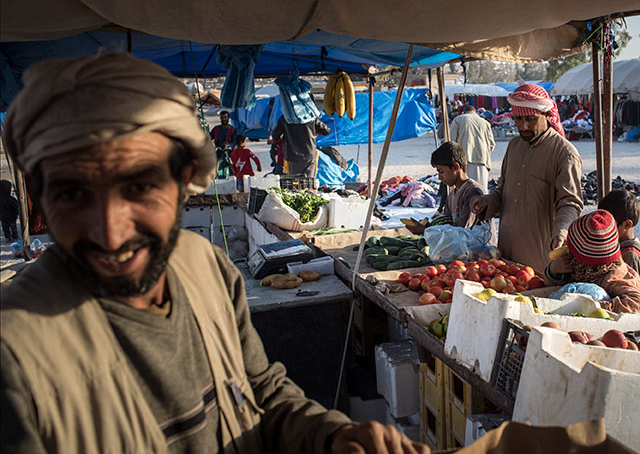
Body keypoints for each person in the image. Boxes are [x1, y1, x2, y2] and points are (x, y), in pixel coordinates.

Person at [0, 53, 427, 454]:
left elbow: (261, 390)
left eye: (139, 187)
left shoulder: (205, 268)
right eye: (72, 194)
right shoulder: (17, 358)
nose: (110, 230)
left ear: (184, 179)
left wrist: (332, 437)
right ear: (40, 198)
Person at [470, 84, 583, 273]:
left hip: (539, 255)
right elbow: (503, 190)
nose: (523, 126)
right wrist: (486, 202)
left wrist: (562, 231)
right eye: (518, 119)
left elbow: (570, 202)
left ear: (547, 115)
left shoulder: (564, 153)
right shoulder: (514, 146)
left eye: (531, 119)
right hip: (506, 251)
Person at [546, 210, 640, 313]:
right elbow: (555, 290)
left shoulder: (615, 277)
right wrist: (553, 271)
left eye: (571, 249)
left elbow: (635, 303)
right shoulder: (576, 266)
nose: (567, 250)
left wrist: (593, 306)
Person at [450, 105, 495, 193]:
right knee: (481, 192)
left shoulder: (458, 119)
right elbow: (492, 144)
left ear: (464, 112)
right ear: (475, 112)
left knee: (465, 192)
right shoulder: (485, 122)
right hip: (482, 160)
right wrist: (484, 153)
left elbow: (452, 141)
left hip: (463, 159)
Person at [598, 189, 640, 273]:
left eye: (609, 225)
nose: (603, 229)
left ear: (627, 225)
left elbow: (630, 285)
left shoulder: (629, 255)